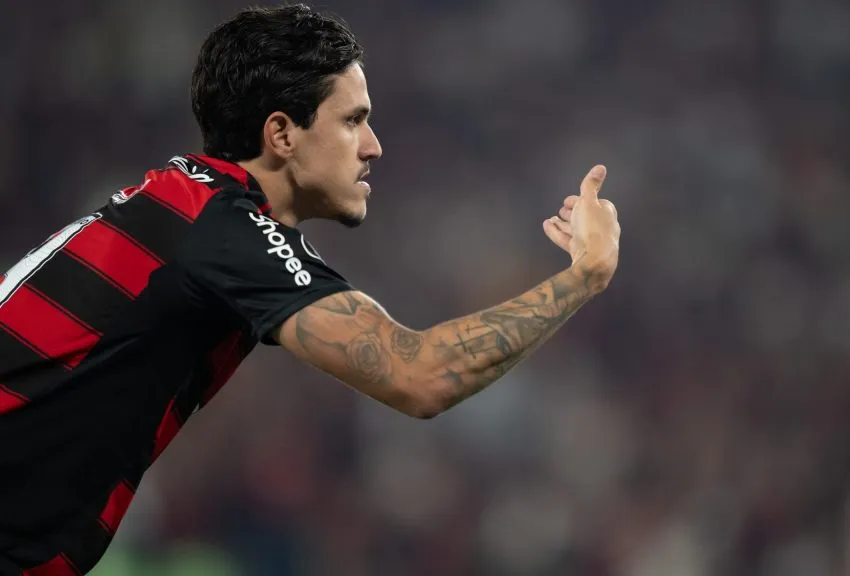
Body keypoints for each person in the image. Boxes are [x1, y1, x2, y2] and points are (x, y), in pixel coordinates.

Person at [0, 4, 621, 574]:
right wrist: (582, 276)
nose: (374, 146)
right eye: (353, 121)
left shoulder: (185, 205)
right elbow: (421, 374)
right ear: (282, 134)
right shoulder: (225, 232)